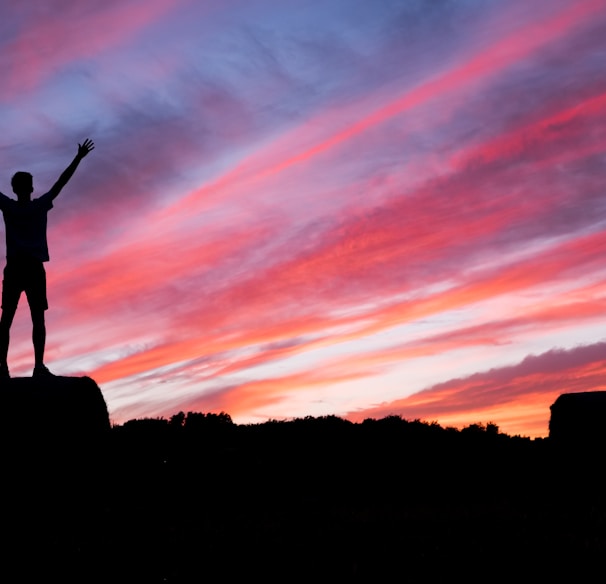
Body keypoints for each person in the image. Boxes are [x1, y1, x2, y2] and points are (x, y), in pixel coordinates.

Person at [0, 139, 94, 379]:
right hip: (31, 267)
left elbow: (61, 183)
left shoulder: (9, 206)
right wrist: (78, 158)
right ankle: (38, 367)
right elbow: (61, 182)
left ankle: (2, 366)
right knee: (36, 319)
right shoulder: (38, 205)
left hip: (15, 268)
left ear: (14, 189)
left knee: (6, 319)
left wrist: (78, 159)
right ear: (30, 188)